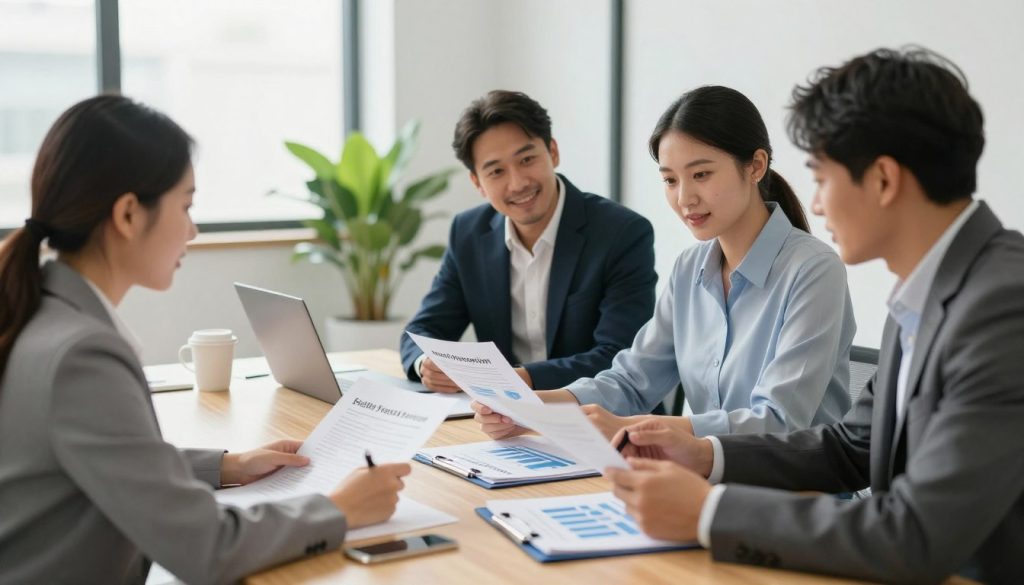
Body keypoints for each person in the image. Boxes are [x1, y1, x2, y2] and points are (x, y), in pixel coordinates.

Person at [607, 48, 1024, 585]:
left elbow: (918, 534)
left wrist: (709, 513)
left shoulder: (1001, 304)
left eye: (822, 178)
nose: (817, 204)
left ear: (883, 180)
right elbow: (849, 447)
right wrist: (704, 454)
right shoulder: (926, 287)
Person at [0, 95, 410, 585]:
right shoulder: (81, 355)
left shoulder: (44, 313)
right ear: (128, 215)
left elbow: (110, 458)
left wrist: (228, 466)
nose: (193, 231)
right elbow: (206, 547)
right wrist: (339, 509)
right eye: (186, 206)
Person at [474, 86, 855, 441]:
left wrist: (632, 428)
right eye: (671, 180)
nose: (685, 198)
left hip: (800, 498)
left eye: (701, 174)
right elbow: (631, 382)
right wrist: (528, 406)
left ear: (756, 166)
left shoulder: (814, 270)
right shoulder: (690, 269)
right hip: (708, 481)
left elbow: (778, 421)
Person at [399, 90, 657, 393]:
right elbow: (421, 331)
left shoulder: (622, 233)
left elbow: (619, 356)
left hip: (602, 418)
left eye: (527, 159)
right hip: (506, 419)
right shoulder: (469, 233)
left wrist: (520, 379)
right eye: (496, 171)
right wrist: (427, 363)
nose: (518, 183)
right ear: (477, 183)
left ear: (553, 152)